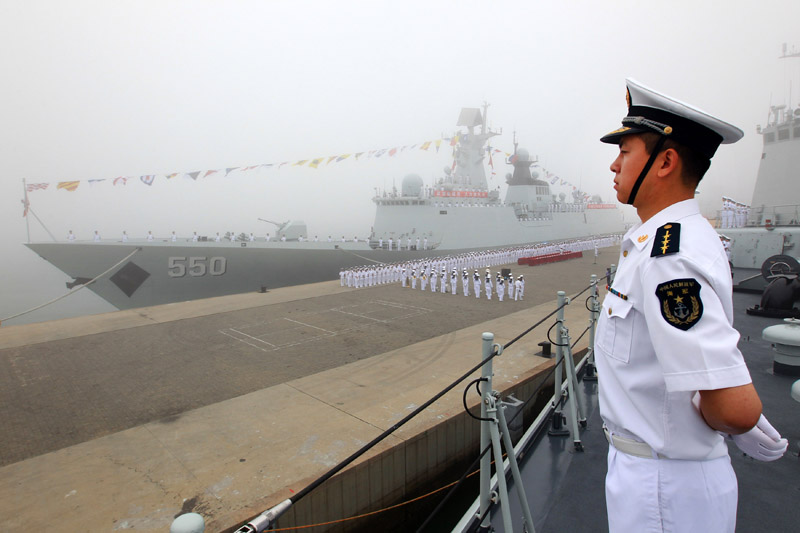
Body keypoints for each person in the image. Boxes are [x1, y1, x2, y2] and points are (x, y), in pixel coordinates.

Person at [596, 78, 787, 533]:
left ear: (665, 162)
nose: (613, 164)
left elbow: (735, 410)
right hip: (658, 475)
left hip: (664, 489)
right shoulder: (664, 241)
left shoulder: (670, 257)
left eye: (625, 151)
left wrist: (721, 405)